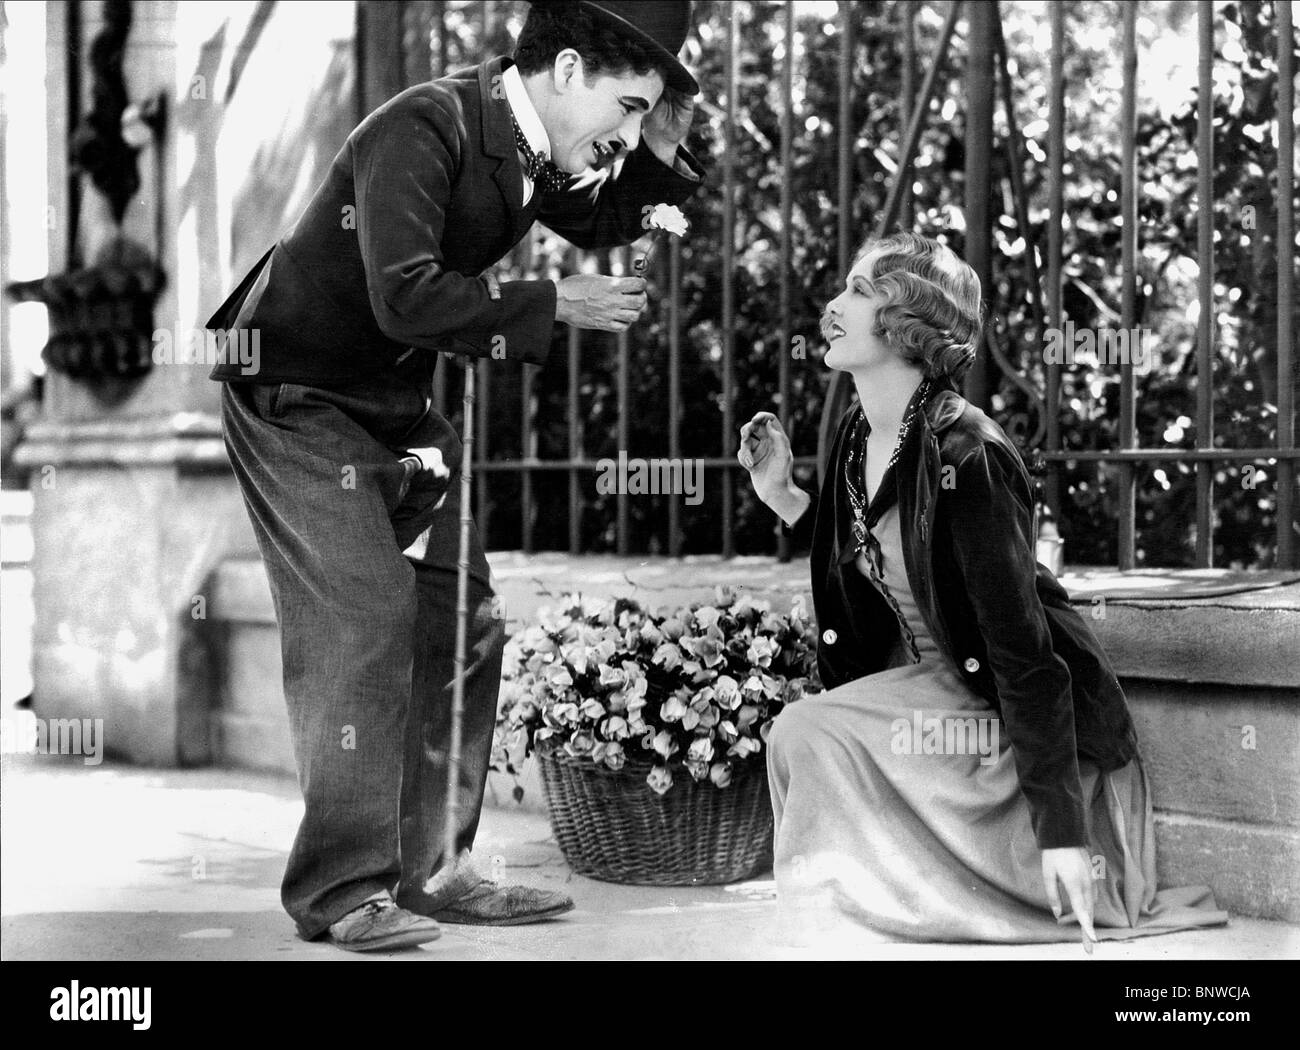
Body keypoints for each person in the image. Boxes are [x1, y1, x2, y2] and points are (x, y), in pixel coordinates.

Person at [207, 1, 704, 951]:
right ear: (567, 71)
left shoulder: (524, 144)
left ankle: (435, 870)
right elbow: (404, 296)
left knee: (462, 618)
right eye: (628, 107)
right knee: (363, 617)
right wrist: (553, 300)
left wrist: (660, 150)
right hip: (296, 394)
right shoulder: (422, 126)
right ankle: (340, 891)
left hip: (392, 407)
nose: (626, 132)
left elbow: (600, 216)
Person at [737, 232, 1227, 945]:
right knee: (808, 730)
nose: (834, 306)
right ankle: (847, 911)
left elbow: (1026, 655)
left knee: (809, 731)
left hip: (1001, 725)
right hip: (932, 701)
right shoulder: (856, 436)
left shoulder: (968, 454)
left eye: (861, 291)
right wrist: (781, 496)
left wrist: (1062, 837)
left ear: (910, 323)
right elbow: (881, 554)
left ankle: (867, 911)